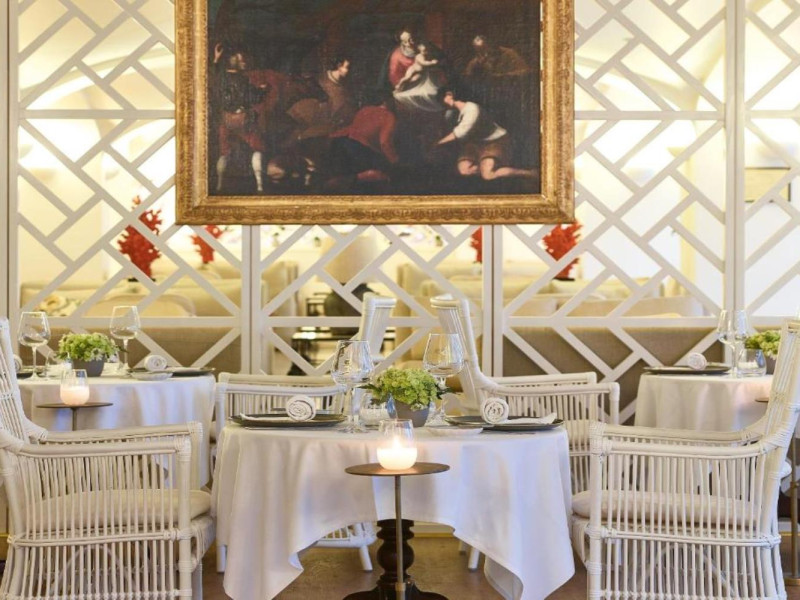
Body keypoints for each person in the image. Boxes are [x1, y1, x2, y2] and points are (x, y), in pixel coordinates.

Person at [436, 89, 536, 181]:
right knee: (464, 171)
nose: (442, 104)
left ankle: (528, 173)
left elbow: (460, 133)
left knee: (488, 175)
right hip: (474, 144)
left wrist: (438, 143)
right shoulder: (450, 113)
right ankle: (484, 165)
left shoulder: (472, 109)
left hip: (494, 142)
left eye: (442, 100)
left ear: (449, 95)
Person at [211, 43, 268, 192]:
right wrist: (263, 90)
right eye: (241, 60)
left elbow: (214, 74)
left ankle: (219, 185)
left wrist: (216, 59)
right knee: (257, 148)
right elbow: (254, 98)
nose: (244, 63)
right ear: (233, 61)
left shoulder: (221, 77)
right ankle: (260, 185)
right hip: (243, 119)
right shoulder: (243, 80)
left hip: (226, 119)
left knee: (224, 152)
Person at [329, 91, 398, 182]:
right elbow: (385, 143)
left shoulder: (365, 109)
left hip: (343, 142)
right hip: (358, 150)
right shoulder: (389, 116)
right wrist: (395, 162)